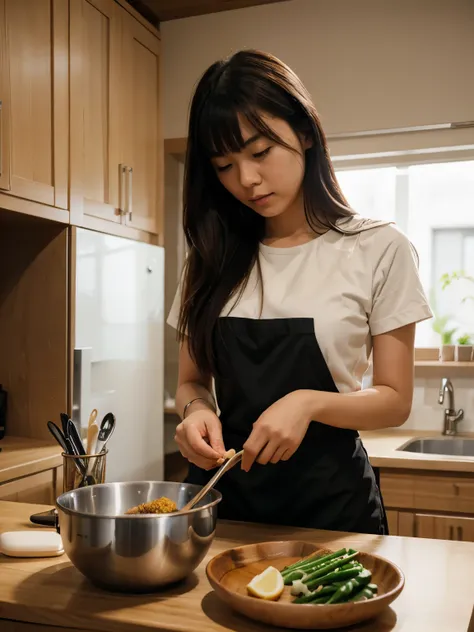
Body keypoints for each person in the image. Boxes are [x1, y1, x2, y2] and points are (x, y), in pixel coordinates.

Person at [167, 49, 432, 534]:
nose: (246, 179)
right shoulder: (208, 258)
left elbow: (395, 399)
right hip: (226, 507)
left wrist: (307, 402)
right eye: (224, 165)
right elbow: (189, 381)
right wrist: (197, 409)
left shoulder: (379, 248)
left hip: (333, 513)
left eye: (260, 152)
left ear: (304, 132)